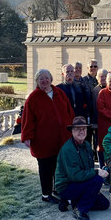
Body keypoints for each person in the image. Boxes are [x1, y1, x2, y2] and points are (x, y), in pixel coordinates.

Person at [21, 69, 75, 204]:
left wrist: (74, 128)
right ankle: (46, 194)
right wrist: (27, 136)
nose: (44, 81)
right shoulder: (33, 98)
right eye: (41, 79)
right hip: (43, 141)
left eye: (46, 78)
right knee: (46, 168)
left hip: (62, 138)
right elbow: (28, 119)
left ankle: (58, 188)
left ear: (51, 79)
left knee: (59, 166)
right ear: (37, 82)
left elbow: (70, 112)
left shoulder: (59, 93)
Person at [55, 116, 110, 220]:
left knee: (104, 204)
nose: (81, 131)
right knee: (97, 179)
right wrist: (97, 172)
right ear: (72, 131)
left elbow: (89, 168)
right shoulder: (68, 149)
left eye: (84, 129)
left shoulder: (87, 145)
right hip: (66, 186)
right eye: (77, 129)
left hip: (79, 182)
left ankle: (70, 201)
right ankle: (79, 209)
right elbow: (75, 176)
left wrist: (101, 169)